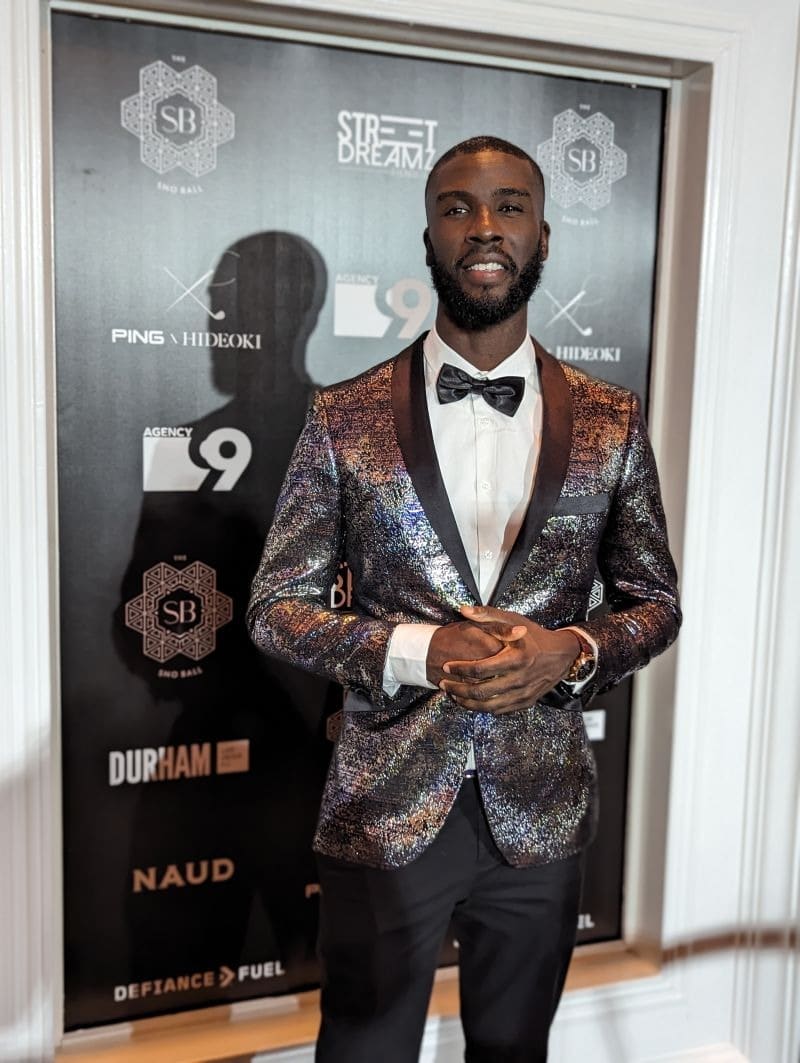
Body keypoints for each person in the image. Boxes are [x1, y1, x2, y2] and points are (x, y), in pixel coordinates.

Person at [247, 135, 681, 1062]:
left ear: (543, 236)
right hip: (385, 807)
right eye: (458, 208)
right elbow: (276, 604)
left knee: (515, 1049)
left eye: (510, 206)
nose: (485, 227)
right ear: (429, 238)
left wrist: (574, 651)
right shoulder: (344, 416)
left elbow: (654, 601)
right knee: (364, 1049)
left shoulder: (612, 418)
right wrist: (418, 651)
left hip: (543, 811)